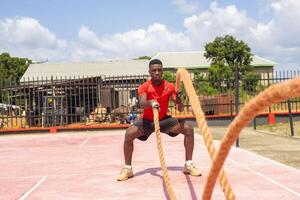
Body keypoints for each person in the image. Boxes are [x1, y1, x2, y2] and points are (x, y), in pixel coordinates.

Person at [117, 59, 201, 181]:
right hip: (147, 121)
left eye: (159, 70)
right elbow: (142, 103)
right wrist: (152, 102)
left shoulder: (169, 86)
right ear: (149, 72)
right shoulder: (144, 86)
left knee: (188, 129)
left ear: (162, 71)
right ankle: (128, 169)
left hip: (164, 120)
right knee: (129, 134)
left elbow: (181, 109)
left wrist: (178, 99)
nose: (157, 72)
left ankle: (188, 165)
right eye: (154, 70)